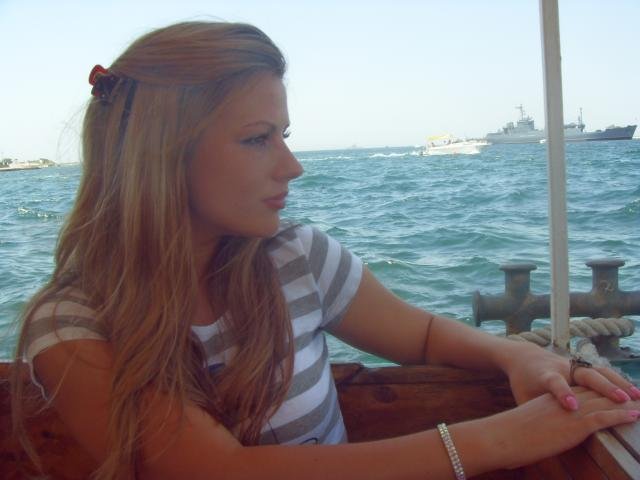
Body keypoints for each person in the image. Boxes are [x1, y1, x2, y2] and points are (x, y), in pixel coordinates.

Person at [10, 21, 640, 480]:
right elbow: (219, 472)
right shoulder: (74, 325)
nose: (292, 166)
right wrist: (499, 440)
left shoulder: (296, 258)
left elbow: (422, 335)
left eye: (284, 135)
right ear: (160, 155)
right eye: (258, 139)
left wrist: (514, 356)